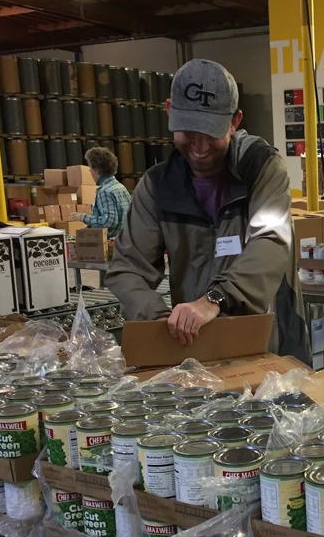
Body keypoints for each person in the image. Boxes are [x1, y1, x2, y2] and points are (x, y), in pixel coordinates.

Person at [104, 59, 309, 362]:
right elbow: (128, 268)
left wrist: (214, 300)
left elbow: (270, 241)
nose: (199, 148)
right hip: (196, 347)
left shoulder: (261, 168)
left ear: (234, 121)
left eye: (210, 134)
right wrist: (157, 315)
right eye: (189, 132)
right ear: (169, 111)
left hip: (270, 339)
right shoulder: (157, 187)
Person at [67, 147, 132, 239]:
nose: (89, 171)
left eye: (90, 168)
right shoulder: (121, 187)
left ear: (97, 170)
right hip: (125, 241)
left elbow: (108, 222)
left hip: (112, 245)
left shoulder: (105, 191)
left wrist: (83, 217)